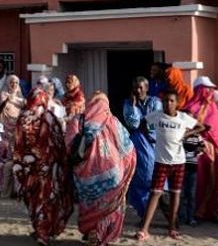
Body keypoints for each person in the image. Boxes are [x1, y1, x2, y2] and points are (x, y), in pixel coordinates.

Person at [67, 92, 136, 246]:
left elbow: (69, 145)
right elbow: (128, 147)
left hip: (85, 178)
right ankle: (101, 235)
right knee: (109, 207)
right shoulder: (113, 121)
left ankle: (92, 231)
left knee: (89, 206)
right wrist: (126, 164)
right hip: (112, 175)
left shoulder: (79, 120)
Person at [137, 89, 205, 241]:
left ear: (177, 103)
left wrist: (186, 135)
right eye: (166, 100)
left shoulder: (183, 117)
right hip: (161, 162)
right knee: (155, 193)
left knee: (175, 194)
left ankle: (172, 227)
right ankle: (144, 229)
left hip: (179, 162)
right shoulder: (157, 115)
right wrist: (149, 137)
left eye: (171, 101)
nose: (168, 103)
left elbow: (201, 127)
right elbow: (143, 122)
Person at [11, 88, 74, 246]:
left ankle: (41, 230)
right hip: (47, 169)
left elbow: (17, 145)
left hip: (28, 170)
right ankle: (44, 233)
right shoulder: (49, 117)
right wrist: (63, 161)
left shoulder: (22, 118)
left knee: (33, 199)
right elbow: (59, 142)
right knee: (45, 200)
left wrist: (19, 165)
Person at [182, 76, 218, 221]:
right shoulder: (189, 108)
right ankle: (195, 212)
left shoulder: (213, 107)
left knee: (213, 181)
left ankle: (210, 211)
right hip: (196, 149)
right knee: (198, 181)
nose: (210, 92)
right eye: (206, 88)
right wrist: (201, 130)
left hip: (214, 150)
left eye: (211, 89)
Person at [123, 76, 163, 219]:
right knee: (136, 178)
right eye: (135, 87)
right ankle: (143, 214)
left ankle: (155, 213)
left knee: (151, 175)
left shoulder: (155, 102)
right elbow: (133, 124)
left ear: (146, 88)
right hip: (136, 143)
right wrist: (134, 107)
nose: (138, 90)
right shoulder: (128, 103)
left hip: (152, 144)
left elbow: (153, 124)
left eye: (141, 87)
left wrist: (143, 123)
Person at [0, 74, 24, 198]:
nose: (13, 85)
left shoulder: (21, 99)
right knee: (5, 158)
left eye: (16, 83)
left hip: (16, 131)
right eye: (11, 82)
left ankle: (16, 192)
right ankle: (4, 192)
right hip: (4, 129)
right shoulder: (3, 95)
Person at [179, 112, 206, 227]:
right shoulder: (180, 134)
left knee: (191, 194)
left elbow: (203, 147)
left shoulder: (197, 136)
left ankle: (190, 218)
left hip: (193, 168)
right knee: (182, 194)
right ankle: (181, 218)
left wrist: (199, 149)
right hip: (182, 167)